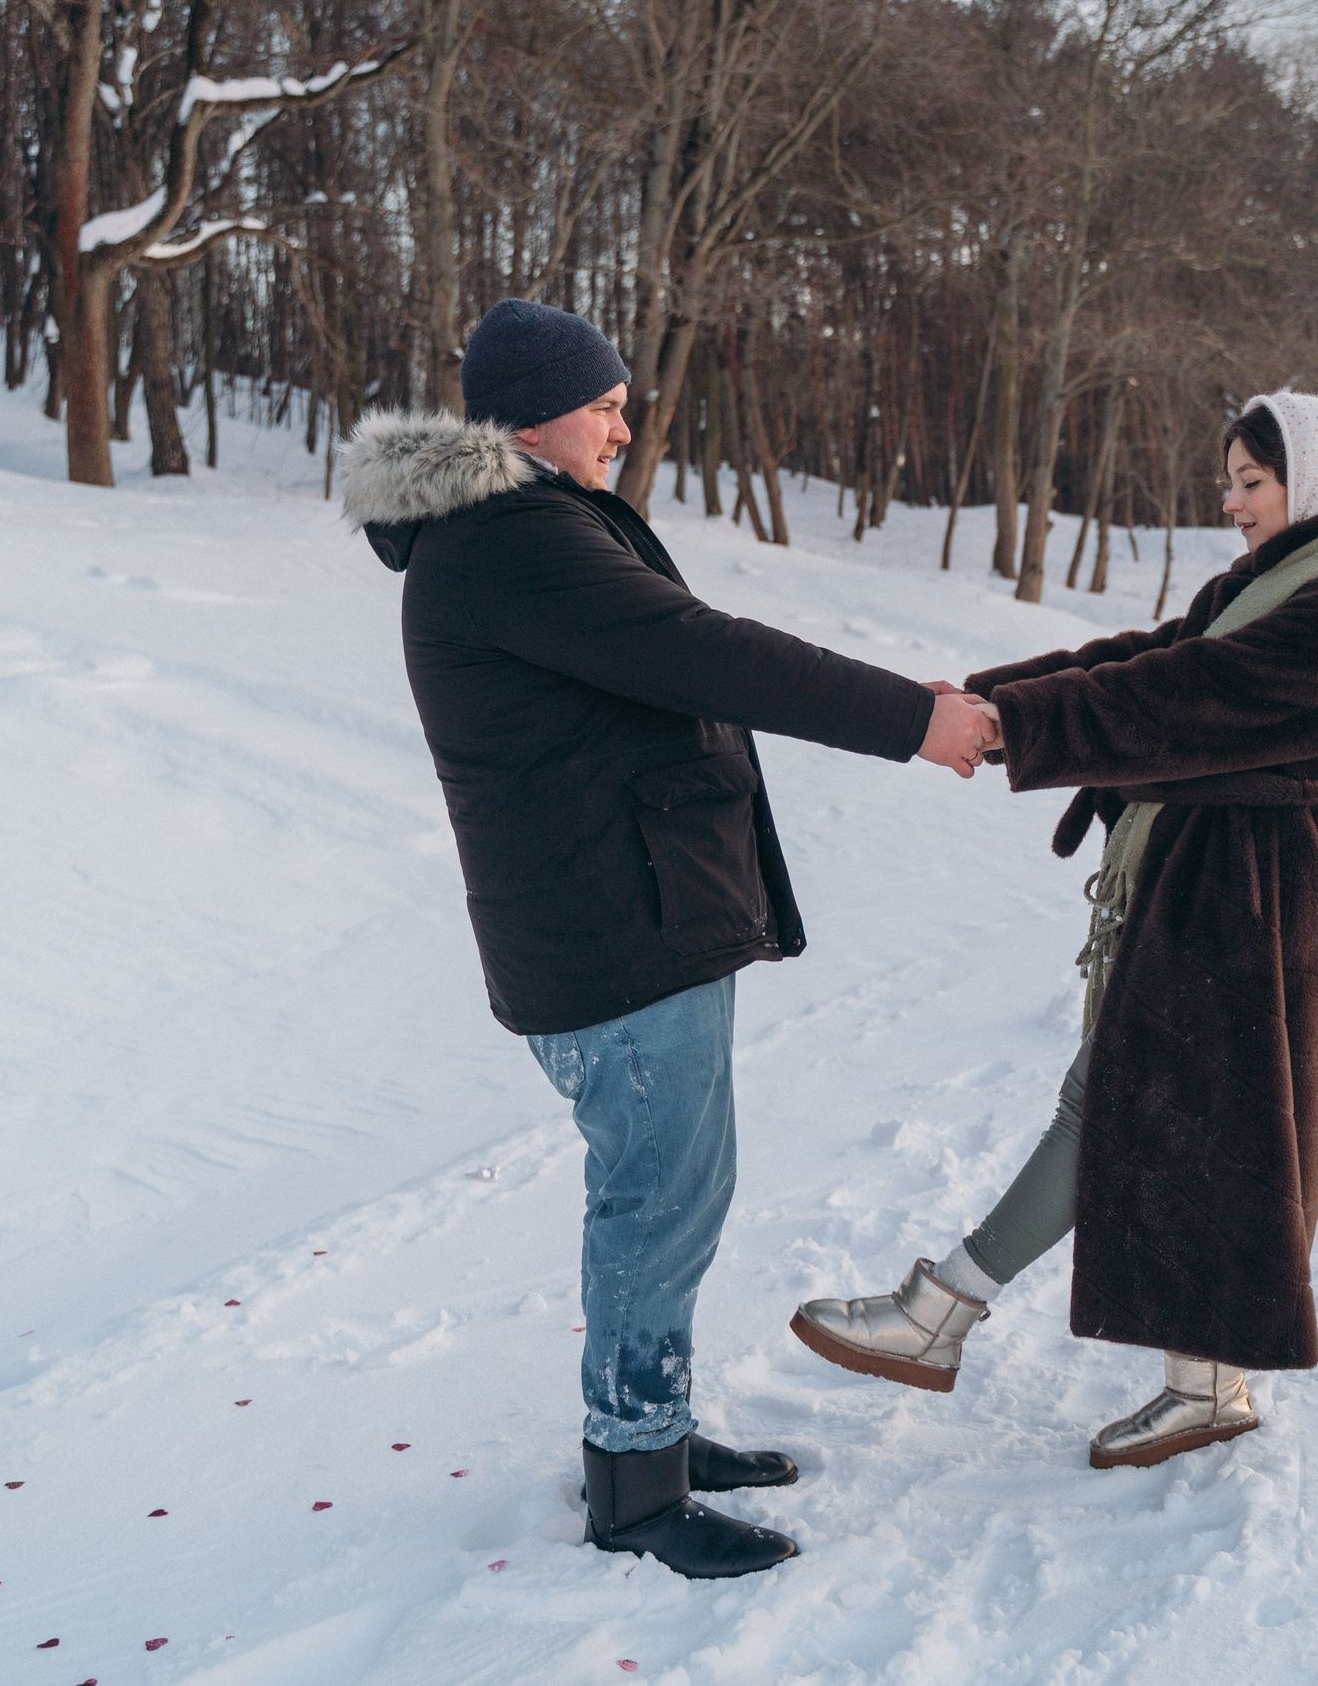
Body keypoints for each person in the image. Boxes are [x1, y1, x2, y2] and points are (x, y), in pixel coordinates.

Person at [342, 299, 997, 1579]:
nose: (623, 424)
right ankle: (636, 1490)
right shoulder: (512, 538)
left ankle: (653, 1432)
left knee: (674, 1197)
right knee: (656, 1204)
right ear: (536, 418)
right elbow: (701, 653)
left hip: (623, 920)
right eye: (605, 405)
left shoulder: (507, 528)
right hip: (612, 935)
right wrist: (909, 718)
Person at [791, 391, 1318, 1468]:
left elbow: (1189, 695)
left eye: (1250, 483)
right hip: (1219, 887)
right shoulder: (1276, 581)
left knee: (1142, 1104)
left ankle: (947, 1312)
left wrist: (1011, 725)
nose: (1231, 503)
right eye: (1231, 481)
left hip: (1274, 900)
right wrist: (984, 701)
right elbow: (1150, 654)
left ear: (1308, 483)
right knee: (1181, 1118)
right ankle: (1198, 1384)